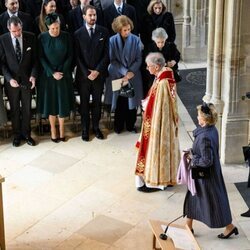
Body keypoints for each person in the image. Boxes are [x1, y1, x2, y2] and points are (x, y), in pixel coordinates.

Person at [183, 103, 239, 239]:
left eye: (198, 115)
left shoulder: (204, 137)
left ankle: (229, 227)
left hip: (206, 177)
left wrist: (192, 157)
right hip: (204, 175)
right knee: (193, 197)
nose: (197, 117)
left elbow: (207, 161)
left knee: (214, 201)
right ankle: (188, 226)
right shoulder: (212, 130)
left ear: (204, 119)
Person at [135, 52, 179, 192]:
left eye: (149, 66)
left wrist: (146, 106)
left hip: (160, 124)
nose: (147, 69)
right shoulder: (165, 74)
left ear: (157, 66)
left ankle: (156, 182)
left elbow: (159, 108)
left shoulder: (162, 83)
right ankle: (168, 178)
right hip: (166, 123)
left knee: (155, 148)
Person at [0, 16, 38, 147]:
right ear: (8, 29)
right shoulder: (3, 39)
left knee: (27, 109)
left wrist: (33, 76)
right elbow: (2, 64)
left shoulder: (31, 37)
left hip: (27, 80)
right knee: (15, 109)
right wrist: (9, 79)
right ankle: (16, 135)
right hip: (12, 82)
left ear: (22, 27)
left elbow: (35, 61)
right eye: (14, 31)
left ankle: (27, 134)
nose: (17, 33)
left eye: (19, 30)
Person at [37, 13, 74, 142]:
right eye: (52, 28)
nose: (56, 30)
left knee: (62, 103)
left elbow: (70, 55)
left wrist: (61, 72)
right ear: (48, 27)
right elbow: (41, 57)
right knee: (51, 103)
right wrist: (52, 72)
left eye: (57, 27)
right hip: (48, 76)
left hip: (63, 75)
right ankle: (53, 129)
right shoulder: (42, 37)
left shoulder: (67, 36)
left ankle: (62, 129)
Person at [74, 4, 109, 141]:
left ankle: (96, 127)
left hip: (98, 75)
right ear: (84, 16)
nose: (93, 17)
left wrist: (97, 71)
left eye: (94, 15)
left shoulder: (104, 32)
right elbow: (77, 56)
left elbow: (107, 55)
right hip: (83, 76)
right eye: (90, 15)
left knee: (96, 103)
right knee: (83, 104)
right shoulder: (77, 34)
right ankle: (85, 128)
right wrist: (87, 72)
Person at [104, 15, 143, 134]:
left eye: (129, 29)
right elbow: (112, 60)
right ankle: (118, 126)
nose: (128, 32)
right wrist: (125, 72)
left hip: (133, 75)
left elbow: (139, 58)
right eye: (125, 30)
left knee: (131, 100)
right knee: (120, 101)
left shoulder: (136, 39)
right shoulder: (112, 40)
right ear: (119, 30)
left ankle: (131, 125)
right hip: (118, 74)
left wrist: (131, 72)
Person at [142, 27, 181, 95]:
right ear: (154, 40)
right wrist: (165, 64)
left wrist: (174, 61)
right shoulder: (149, 48)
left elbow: (177, 55)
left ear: (165, 39)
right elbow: (147, 62)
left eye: (162, 42)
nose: (160, 44)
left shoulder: (171, 45)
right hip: (154, 74)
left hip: (167, 72)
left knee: (169, 92)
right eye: (158, 42)